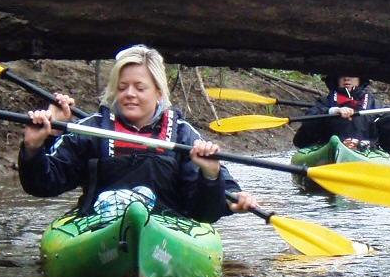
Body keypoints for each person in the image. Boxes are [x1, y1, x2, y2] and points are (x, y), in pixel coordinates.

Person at [19, 45, 256, 221]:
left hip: (167, 230)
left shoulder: (184, 135)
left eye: (140, 87)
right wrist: (34, 148)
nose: (129, 94)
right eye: (122, 87)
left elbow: (206, 212)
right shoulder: (91, 130)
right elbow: (43, 185)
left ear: (158, 93)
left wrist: (211, 175)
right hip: (99, 226)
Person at [291, 74, 390, 159]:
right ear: (336, 80)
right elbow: (309, 122)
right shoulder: (325, 103)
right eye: (343, 76)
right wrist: (333, 112)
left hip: (365, 149)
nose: (347, 79)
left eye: (352, 76)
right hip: (329, 146)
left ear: (360, 80)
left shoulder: (374, 105)